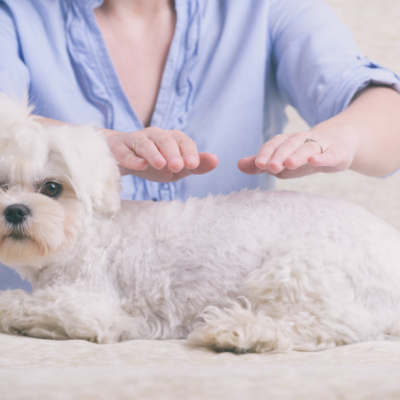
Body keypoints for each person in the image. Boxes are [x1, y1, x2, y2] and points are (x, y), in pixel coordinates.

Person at [1, 0, 400, 291]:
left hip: (234, 321)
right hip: (25, 329)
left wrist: (344, 137)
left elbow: (384, 111)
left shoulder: (268, 8)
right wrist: (99, 149)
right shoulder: (14, 12)